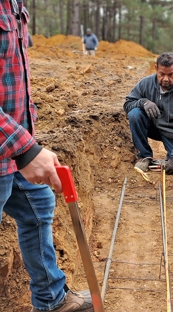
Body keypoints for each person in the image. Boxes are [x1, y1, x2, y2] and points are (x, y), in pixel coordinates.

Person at [0, 1, 94, 311]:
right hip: (13, 146)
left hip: (11, 150)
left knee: (38, 205)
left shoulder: (14, 4)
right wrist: (24, 149)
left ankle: (51, 300)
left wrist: (27, 140)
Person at [124, 52, 173, 175]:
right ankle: (144, 156)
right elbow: (127, 105)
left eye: (170, 75)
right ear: (156, 69)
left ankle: (170, 158)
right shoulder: (146, 83)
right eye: (162, 74)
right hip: (153, 126)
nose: (165, 79)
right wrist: (143, 102)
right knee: (135, 114)